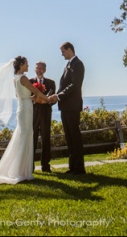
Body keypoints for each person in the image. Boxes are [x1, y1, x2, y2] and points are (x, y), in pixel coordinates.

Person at [0, 56, 51, 185]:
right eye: (26, 64)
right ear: (21, 65)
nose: (28, 66)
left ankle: (21, 169)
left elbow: (18, 95)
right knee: (25, 137)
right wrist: (47, 99)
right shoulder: (24, 78)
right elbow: (35, 90)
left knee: (23, 137)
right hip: (26, 110)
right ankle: (21, 171)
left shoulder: (16, 79)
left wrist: (30, 98)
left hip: (23, 107)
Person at [48, 42, 86, 175]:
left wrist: (58, 96)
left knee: (75, 137)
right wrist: (53, 97)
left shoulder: (78, 64)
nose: (61, 54)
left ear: (69, 50)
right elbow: (63, 86)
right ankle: (73, 167)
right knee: (69, 137)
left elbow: (75, 85)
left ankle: (79, 168)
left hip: (72, 106)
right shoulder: (68, 65)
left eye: (63, 51)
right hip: (65, 106)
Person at [30, 61, 56, 172]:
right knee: (32, 140)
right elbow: (28, 97)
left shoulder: (51, 83)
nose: (38, 70)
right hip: (33, 115)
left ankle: (45, 166)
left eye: (41, 68)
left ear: (44, 70)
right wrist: (37, 100)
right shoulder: (30, 82)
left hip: (46, 114)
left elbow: (53, 99)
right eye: (37, 68)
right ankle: (30, 166)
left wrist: (47, 101)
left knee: (46, 140)